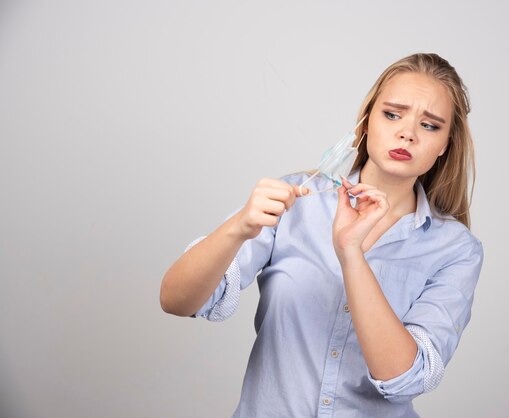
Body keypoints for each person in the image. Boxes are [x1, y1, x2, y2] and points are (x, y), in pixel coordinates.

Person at [160, 53, 484, 418]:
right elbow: (176, 301)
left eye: (430, 126)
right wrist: (237, 229)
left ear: (446, 144)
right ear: (365, 121)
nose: (406, 133)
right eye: (392, 114)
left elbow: (403, 378)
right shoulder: (297, 199)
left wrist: (351, 254)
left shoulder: (456, 249)